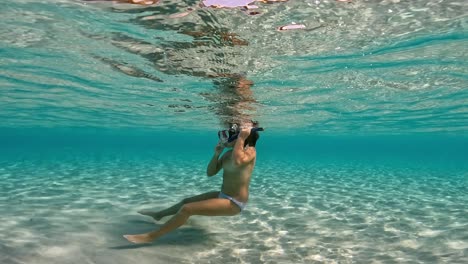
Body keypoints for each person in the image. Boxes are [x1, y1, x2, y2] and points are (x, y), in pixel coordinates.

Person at [123, 124, 261, 244]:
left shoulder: (250, 151)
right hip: (223, 195)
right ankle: (159, 215)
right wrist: (216, 154)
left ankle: (150, 237)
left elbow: (238, 162)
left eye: (230, 135)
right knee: (186, 201)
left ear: (241, 137)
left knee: (187, 209)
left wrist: (242, 137)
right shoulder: (228, 154)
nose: (224, 138)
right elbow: (210, 173)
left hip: (234, 203)